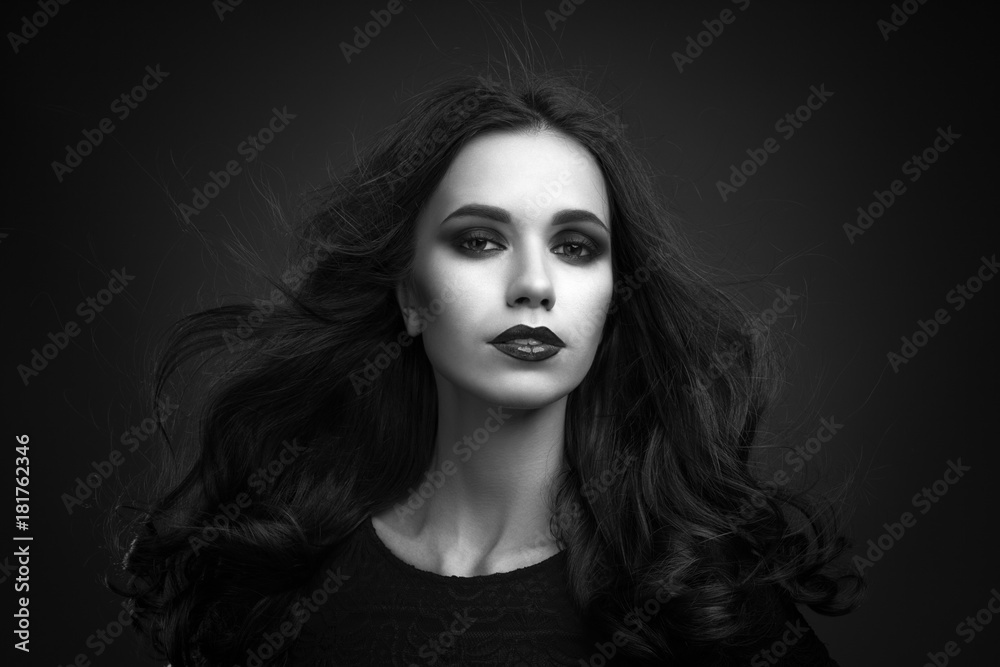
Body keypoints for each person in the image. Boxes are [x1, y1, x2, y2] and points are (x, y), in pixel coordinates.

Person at [110, 64, 865, 666]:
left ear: (613, 298)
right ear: (409, 296)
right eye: (480, 240)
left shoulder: (700, 600)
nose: (534, 284)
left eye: (575, 247)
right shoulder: (281, 573)